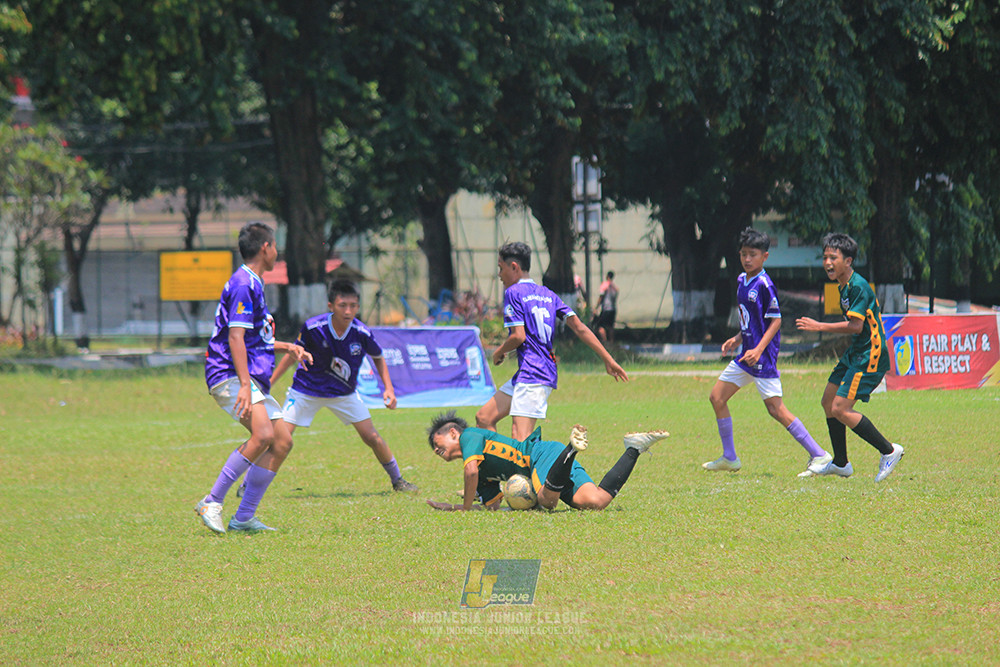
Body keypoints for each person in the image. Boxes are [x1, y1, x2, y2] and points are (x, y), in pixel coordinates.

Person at [196, 222, 313, 534]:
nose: (277, 252)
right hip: (229, 374)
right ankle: (212, 500)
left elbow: (253, 338)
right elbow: (235, 338)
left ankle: (244, 517)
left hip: (243, 375)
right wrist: (246, 386)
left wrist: (288, 346)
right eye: (275, 246)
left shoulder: (254, 282)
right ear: (265, 248)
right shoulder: (243, 284)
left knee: (282, 441)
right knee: (262, 435)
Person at [269, 279, 418, 493]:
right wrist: (272, 382)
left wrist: (389, 388)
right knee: (281, 439)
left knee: (372, 437)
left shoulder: (362, 332)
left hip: (343, 394)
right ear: (331, 306)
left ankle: (398, 481)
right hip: (306, 391)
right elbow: (292, 355)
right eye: (342, 305)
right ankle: (251, 484)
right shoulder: (313, 327)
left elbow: (378, 356)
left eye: (353, 306)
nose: (348, 311)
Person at [705, 228, 831, 476]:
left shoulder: (765, 284)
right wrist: (737, 338)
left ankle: (820, 454)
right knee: (717, 398)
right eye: (743, 254)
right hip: (746, 355)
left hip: (762, 357)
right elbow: (752, 319)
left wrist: (758, 349)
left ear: (765, 256)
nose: (747, 259)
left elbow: (775, 321)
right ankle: (730, 457)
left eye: (753, 254)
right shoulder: (742, 280)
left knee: (776, 409)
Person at [475, 242, 629, 441]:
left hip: (533, 372)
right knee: (485, 417)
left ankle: (531, 471)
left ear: (514, 267)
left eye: (500, 268)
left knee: (520, 437)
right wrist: (608, 359)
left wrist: (499, 352)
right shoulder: (547, 294)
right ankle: (499, 468)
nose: (499, 274)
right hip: (532, 371)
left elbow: (518, 336)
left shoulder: (513, 293)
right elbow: (580, 328)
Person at [795, 232, 904, 482]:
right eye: (825, 257)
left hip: (870, 354)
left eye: (833, 257)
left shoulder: (858, 286)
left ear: (849, 260)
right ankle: (841, 463)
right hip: (855, 351)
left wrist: (819, 326)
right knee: (828, 401)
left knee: (841, 409)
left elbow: (855, 326)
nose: (828, 263)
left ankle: (889, 451)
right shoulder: (843, 285)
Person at [426, 410, 669, 511]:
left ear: (453, 433)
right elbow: (493, 506)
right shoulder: (481, 472)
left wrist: (465, 509)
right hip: (550, 464)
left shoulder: (470, 435)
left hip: (540, 455)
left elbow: (469, 472)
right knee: (597, 501)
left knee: (546, 500)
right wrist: (456, 507)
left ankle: (571, 450)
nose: (437, 451)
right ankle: (634, 449)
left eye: (438, 445)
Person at [593, 271, 619, 343]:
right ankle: (611, 341)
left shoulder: (605, 285)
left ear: (607, 276)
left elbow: (601, 297)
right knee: (611, 326)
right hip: (613, 309)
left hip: (606, 309)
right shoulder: (614, 287)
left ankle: (605, 342)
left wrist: (596, 308)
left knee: (600, 326)